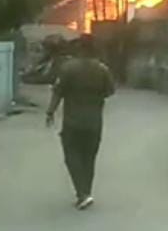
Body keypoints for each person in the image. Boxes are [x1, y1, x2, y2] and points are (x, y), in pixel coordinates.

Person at [46, 34, 115, 210]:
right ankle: (86, 193)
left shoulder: (68, 69)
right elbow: (110, 91)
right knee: (89, 158)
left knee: (72, 157)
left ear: (79, 49)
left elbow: (58, 92)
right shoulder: (102, 69)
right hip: (94, 123)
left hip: (73, 122)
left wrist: (50, 112)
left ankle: (82, 194)